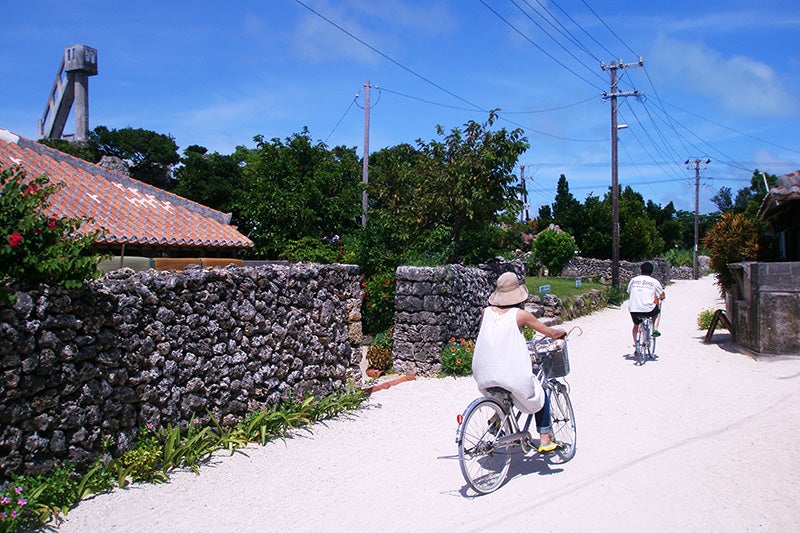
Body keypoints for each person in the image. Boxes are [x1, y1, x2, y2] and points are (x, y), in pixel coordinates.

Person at [471, 271, 567, 453]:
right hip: (508, 374)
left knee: (506, 391)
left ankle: (498, 419)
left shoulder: (486, 312)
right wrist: (561, 333)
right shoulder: (521, 315)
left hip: (482, 373)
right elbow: (549, 332)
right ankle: (545, 440)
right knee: (539, 394)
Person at [627, 261, 666, 349]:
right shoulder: (654, 282)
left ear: (640, 270)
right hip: (648, 309)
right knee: (657, 312)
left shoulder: (633, 280)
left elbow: (629, 291)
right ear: (652, 272)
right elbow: (662, 294)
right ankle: (655, 329)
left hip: (634, 309)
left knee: (636, 326)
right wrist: (661, 298)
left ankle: (637, 347)